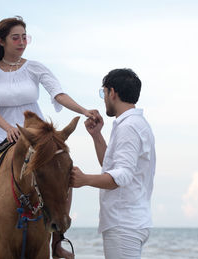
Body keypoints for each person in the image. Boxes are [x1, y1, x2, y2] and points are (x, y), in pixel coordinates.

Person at [0, 16, 95, 259]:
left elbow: (58, 94)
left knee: (63, 170)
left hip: (36, 134)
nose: (21, 42)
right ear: (2, 41)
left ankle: (58, 241)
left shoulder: (35, 68)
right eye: (15, 37)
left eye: (24, 37)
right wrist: (8, 128)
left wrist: (83, 110)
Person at [70, 68, 156, 259]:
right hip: (130, 221)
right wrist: (97, 135)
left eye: (104, 93)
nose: (104, 98)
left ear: (113, 93)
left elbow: (122, 176)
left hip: (124, 222)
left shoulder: (128, 127)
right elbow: (113, 168)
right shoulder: (135, 124)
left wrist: (85, 179)